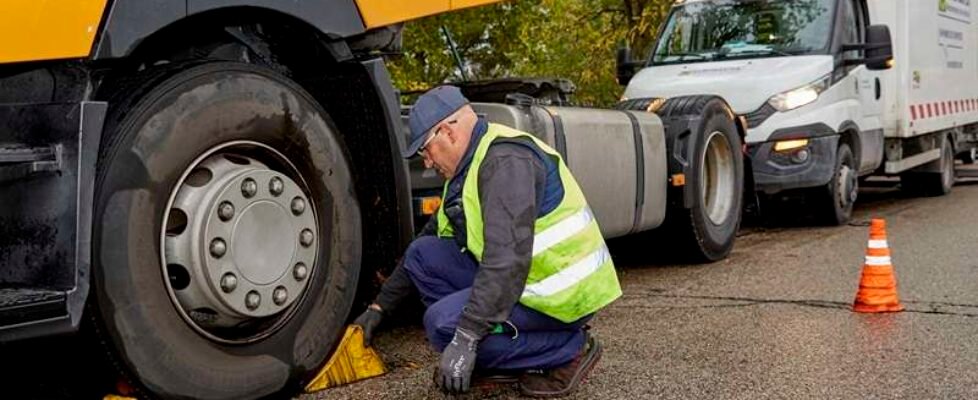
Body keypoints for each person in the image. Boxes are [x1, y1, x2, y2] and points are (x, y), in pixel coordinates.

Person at [353, 85, 621, 397]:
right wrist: (378, 308)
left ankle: (570, 348)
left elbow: (505, 262)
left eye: (426, 149)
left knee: (443, 326)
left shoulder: (505, 161)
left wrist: (466, 338)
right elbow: (423, 245)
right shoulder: (467, 170)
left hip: (560, 296)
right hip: (525, 283)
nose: (426, 162)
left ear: (448, 133)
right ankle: (502, 349)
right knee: (425, 255)